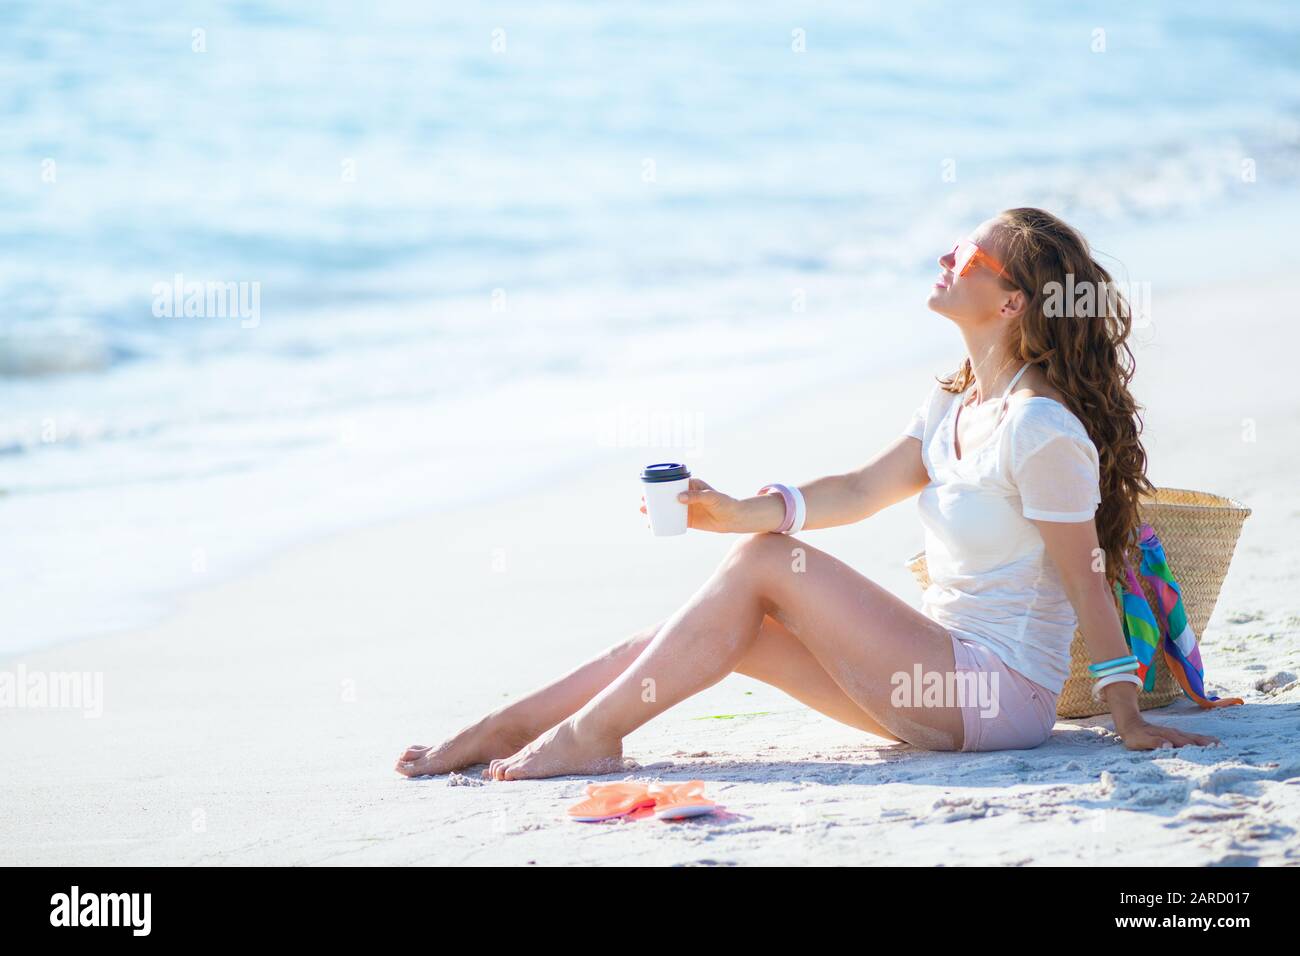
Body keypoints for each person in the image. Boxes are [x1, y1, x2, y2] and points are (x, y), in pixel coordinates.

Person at [396, 207, 1219, 782]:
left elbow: (1086, 581)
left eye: (967, 256)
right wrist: (733, 511)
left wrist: (1128, 719)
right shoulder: (956, 403)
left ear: (1011, 303)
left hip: (999, 697)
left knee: (767, 566)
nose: (945, 259)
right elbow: (861, 488)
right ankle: (504, 729)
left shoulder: (1041, 428)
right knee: (708, 630)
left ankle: (587, 737)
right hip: (933, 683)